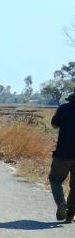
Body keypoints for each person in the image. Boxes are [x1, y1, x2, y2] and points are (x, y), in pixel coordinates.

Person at [49, 91, 75, 223]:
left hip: (63, 153)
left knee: (55, 180)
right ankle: (70, 214)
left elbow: (54, 125)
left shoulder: (64, 108)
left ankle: (61, 203)